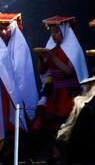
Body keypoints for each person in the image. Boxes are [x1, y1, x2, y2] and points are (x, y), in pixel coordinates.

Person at [31, 15, 89, 156]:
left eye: (56, 32)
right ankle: (56, 152)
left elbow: (68, 70)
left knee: (69, 121)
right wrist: (40, 58)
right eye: (51, 32)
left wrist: (50, 56)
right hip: (55, 91)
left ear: (64, 31)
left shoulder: (73, 48)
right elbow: (42, 70)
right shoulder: (51, 47)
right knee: (50, 121)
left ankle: (70, 153)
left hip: (69, 91)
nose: (53, 35)